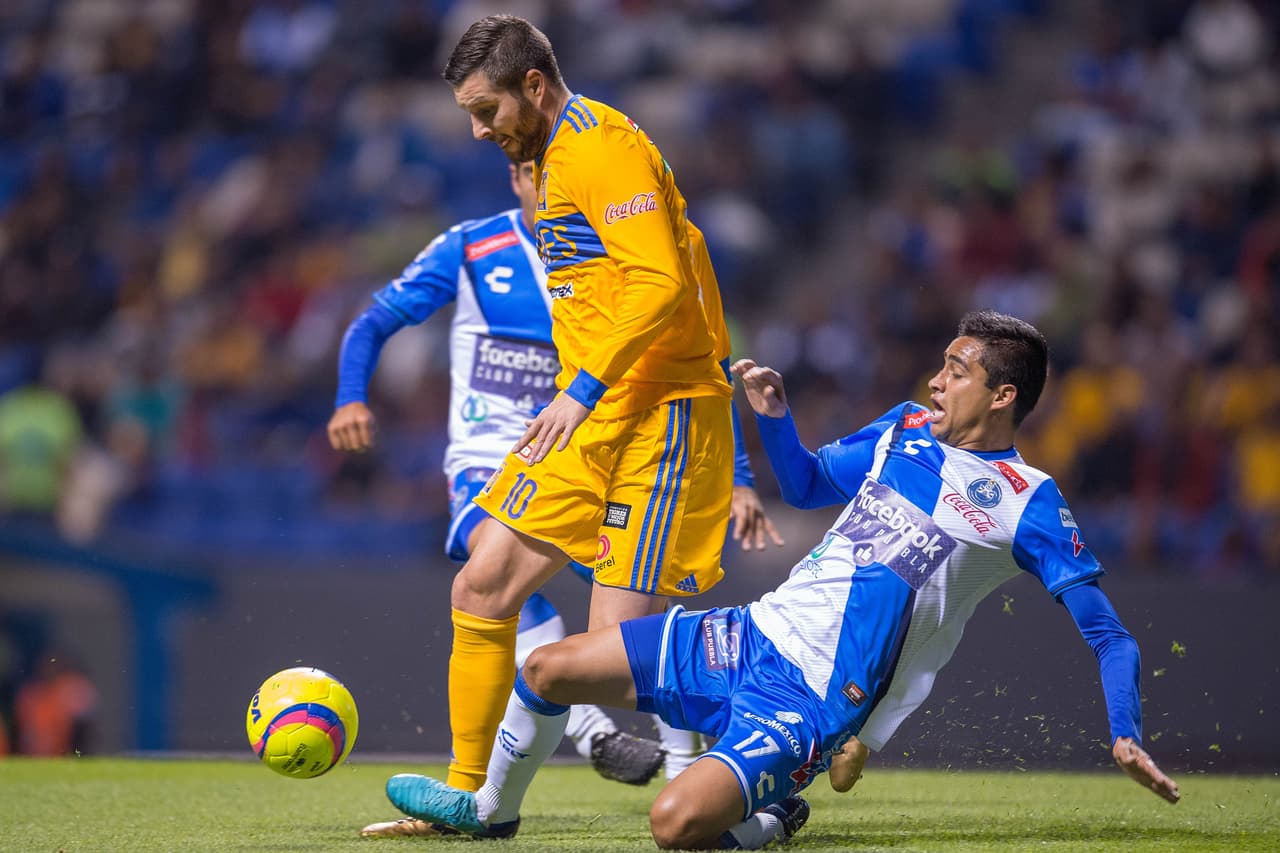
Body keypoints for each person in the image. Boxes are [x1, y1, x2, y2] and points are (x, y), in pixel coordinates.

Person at [386, 311, 1181, 849]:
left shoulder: (1028, 502)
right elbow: (801, 485)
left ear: (1003, 395)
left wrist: (1124, 729)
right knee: (546, 668)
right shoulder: (903, 428)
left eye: (959, 369)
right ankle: (491, 813)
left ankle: (769, 817)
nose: (938, 379)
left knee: (673, 826)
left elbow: (1108, 631)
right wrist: (773, 415)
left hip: (809, 699)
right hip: (749, 630)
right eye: (942, 363)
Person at [380, 15, 768, 835]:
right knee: (481, 583)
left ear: (534, 85)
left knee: (608, 657)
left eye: (487, 111)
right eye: (469, 117)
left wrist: (582, 388)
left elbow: (663, 281)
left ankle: (789, 718)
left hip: (656, 415)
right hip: (593, 415)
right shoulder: (548, 160)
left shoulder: (599, 147)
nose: (480, 132)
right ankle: (466, 797)